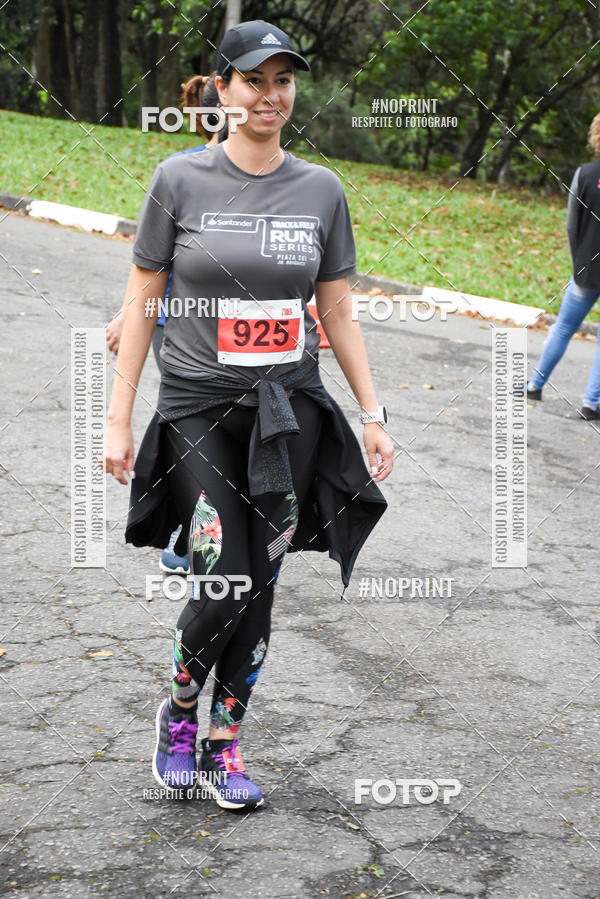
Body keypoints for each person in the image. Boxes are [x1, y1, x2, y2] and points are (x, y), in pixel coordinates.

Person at [104, 19, 392, 813]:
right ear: (222, 90)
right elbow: (143, 292)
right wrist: (117, 418)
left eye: (284, 81)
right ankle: (177, 715)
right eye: (256, 80)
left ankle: (225, 745)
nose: (272, 95)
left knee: (258, 585)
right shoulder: (179, 180)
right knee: (223, 574)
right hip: (199, 408)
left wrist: (372, 412)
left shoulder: (321, 189)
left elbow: (336, 309)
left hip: (286, 414)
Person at [107, 73, 225, 574]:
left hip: (233, 331)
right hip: (172, 323)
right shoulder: (181, 171)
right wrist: (124, 315)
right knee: (192, 418)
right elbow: (151, 267)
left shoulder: (272, 177)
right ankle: (185, 524)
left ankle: (222, 519)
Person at [527, 111, 600, 419]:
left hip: (585, 269)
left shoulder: (584, 174)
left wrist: (578, 261)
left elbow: (572, 225)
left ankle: (534, 386)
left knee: (564, 327)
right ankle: (591, 403)